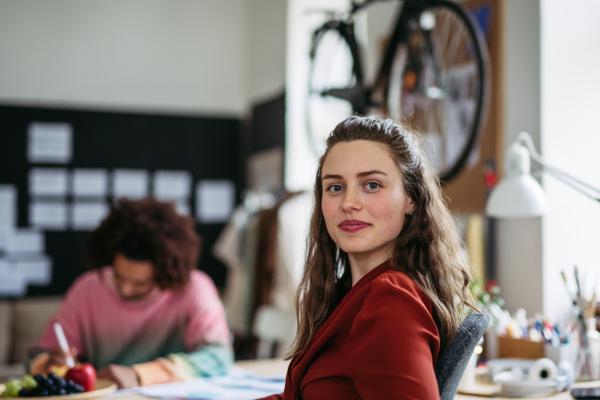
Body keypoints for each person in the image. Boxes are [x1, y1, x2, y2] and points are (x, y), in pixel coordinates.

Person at [261, 116, 478, 400]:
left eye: (372, 185)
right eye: (335, 187)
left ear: (411, 199)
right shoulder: (350, 292)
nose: (349, 203)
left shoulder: (391, 299)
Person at [27, 198, 232, 389]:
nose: (125, 289)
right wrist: (46, 363)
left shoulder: (195, 287)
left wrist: (140, 375)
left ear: (165, 274)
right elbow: (37, 358)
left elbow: (218, 357)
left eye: (140, 283)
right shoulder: (88, 287)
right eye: (118, 277)